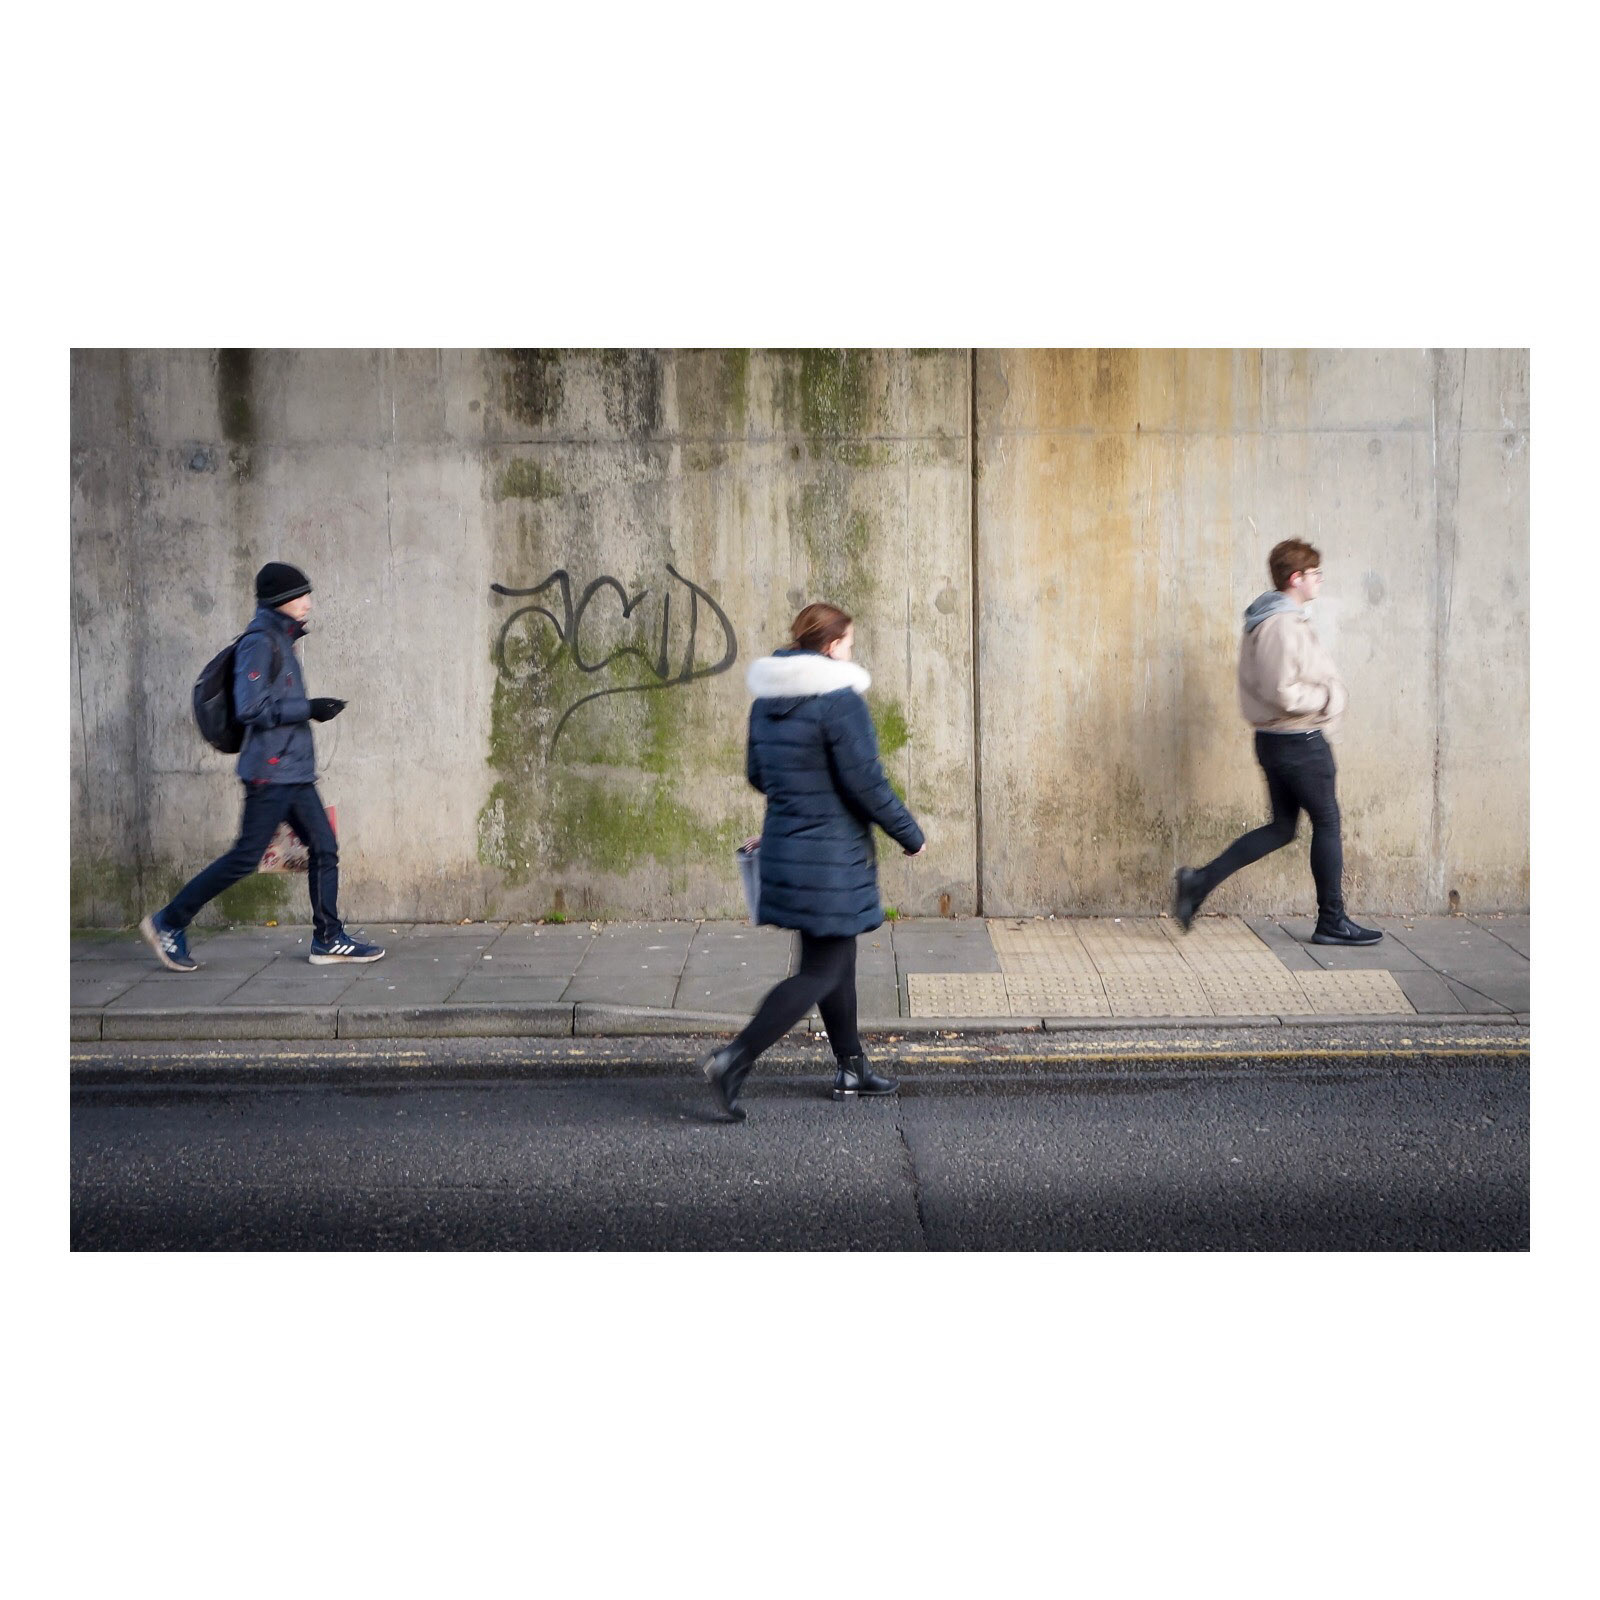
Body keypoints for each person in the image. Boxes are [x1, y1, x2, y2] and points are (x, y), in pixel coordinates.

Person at [701, 603, 926, 1120]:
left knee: (833, 959)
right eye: (848, 644)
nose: (851, 652)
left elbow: (760, 774)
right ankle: (734, 1057)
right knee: (823, 968)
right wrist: (909, 835)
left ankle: (852, 1068)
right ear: (830, 647)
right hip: (830, 855)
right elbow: (865, 783)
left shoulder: (768, 700)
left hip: (788, 844)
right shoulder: (839, 701)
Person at [138, 561, 386, 971]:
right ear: (281, 600)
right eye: (301, 595)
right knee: (244, 857)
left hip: (293, 772)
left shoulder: (281, 640)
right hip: (270, 774)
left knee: (324, 846)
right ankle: (169, 921)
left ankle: (328, 938)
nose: (308, 602)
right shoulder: (260, 641)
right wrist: (309, 708)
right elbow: (251, 706)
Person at [1172, 539, 1381, 946]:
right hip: (1298, 741)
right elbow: (1282, 691)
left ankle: (1197, 883)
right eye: (1314, 573)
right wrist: (1326, 698)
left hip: (1278, 741)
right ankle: (1332, 921)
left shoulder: (1275, 619)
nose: (1320, 580)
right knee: (1327, 823)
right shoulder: (1281, 625)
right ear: (1295, 578)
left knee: (1283, 828)